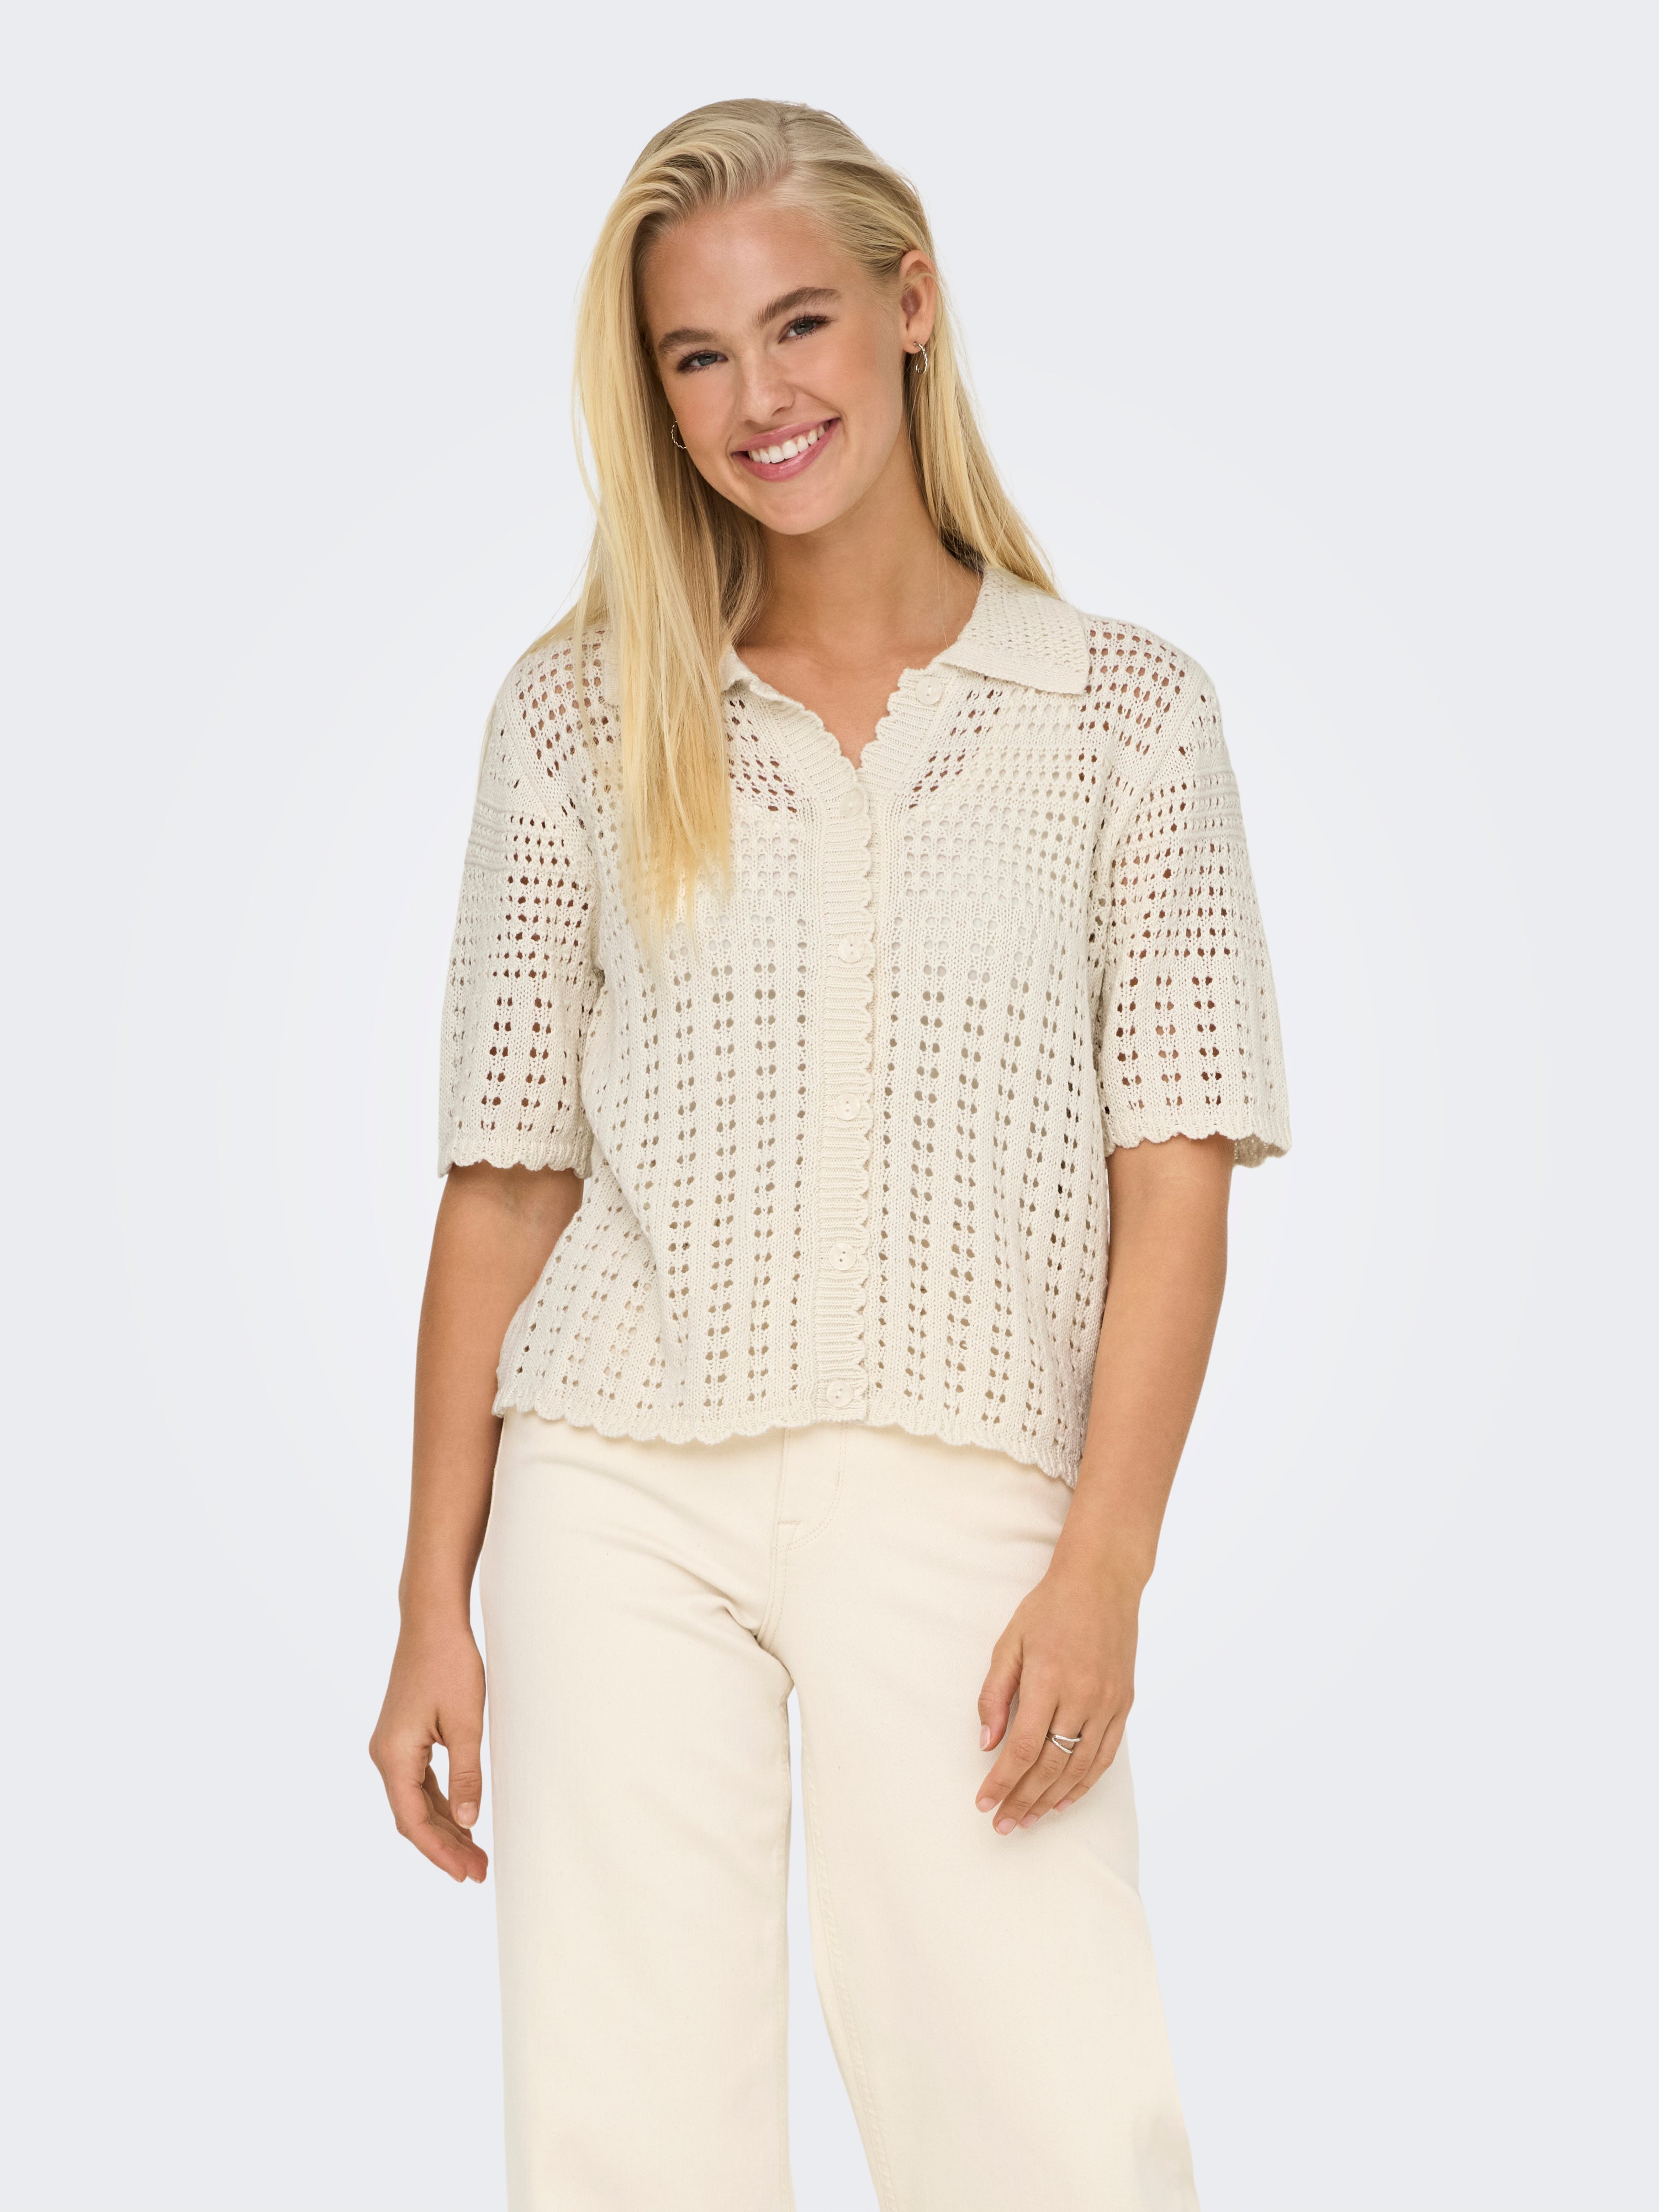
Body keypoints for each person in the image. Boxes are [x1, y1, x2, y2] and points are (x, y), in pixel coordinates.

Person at [370, 97, 1290, 2212]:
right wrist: (432, 1600)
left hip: (966, 1476)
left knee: (1046, 2120)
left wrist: (1106, 1568)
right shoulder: (582, 715)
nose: (756, 399)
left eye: (798, 325)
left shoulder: (1122, 717)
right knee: (622, 2133)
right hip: (612, 1482)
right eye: (696, 355)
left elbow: (1174, 1180)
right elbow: (503, 1184)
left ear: (910, 306)